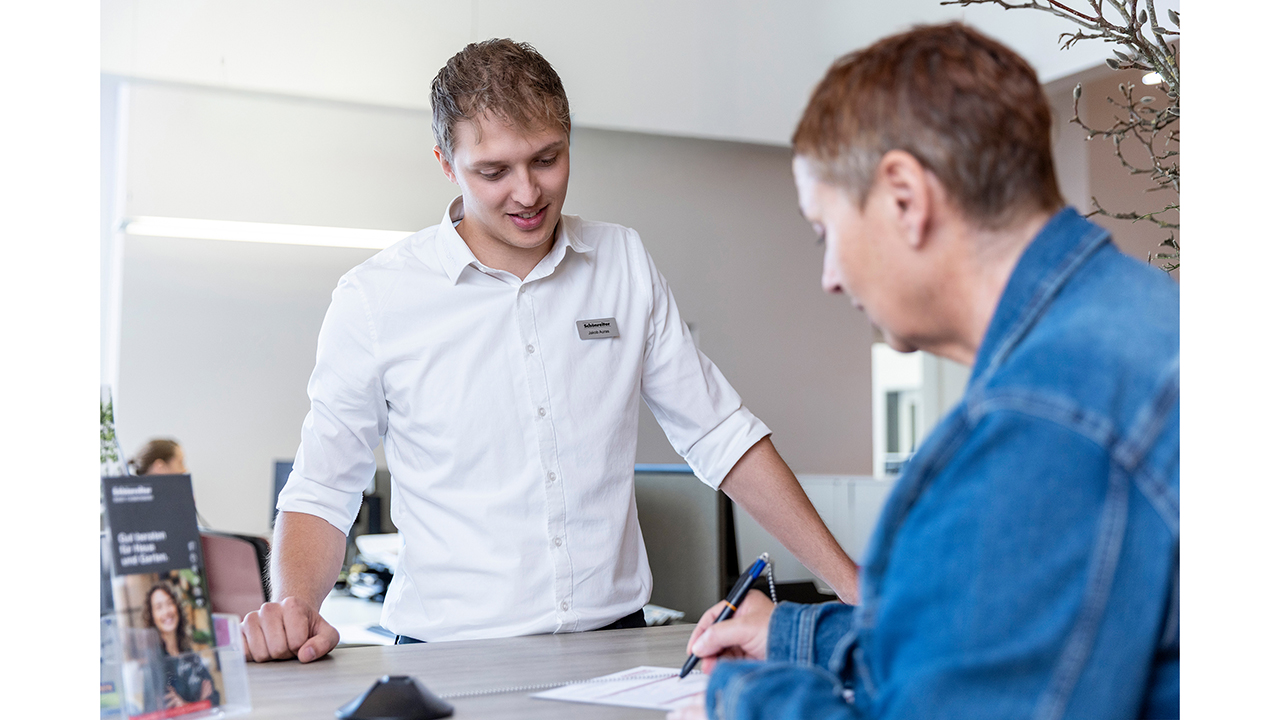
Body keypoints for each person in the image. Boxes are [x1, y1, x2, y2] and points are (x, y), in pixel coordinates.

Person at [241, 38, 861, 662]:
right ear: (446, 163)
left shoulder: (622, 261)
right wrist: (295, 610)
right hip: (449, 654)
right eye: (493, 172)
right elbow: (323, 487)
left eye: (547, 159)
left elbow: (720, 435)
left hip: (616, 646)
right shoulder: (376, 298)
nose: (527, 193)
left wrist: (852, 583)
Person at [676, 23, 1179, 720]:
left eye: (825, 234)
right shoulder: (1142, 318)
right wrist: (796, 637)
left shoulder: (1042, 422)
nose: (828, 277)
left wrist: (736, 699)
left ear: (905, 198)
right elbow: (997, 644)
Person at [142, 583, 219, 709]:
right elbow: (163, 709)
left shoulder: (190, 655)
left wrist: (186, 706)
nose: (166, 611)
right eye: (159, 607)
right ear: (152, 617)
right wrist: (199, 704)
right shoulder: (155, 661)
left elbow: (214, 697)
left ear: (177, 607)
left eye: (170, 603)